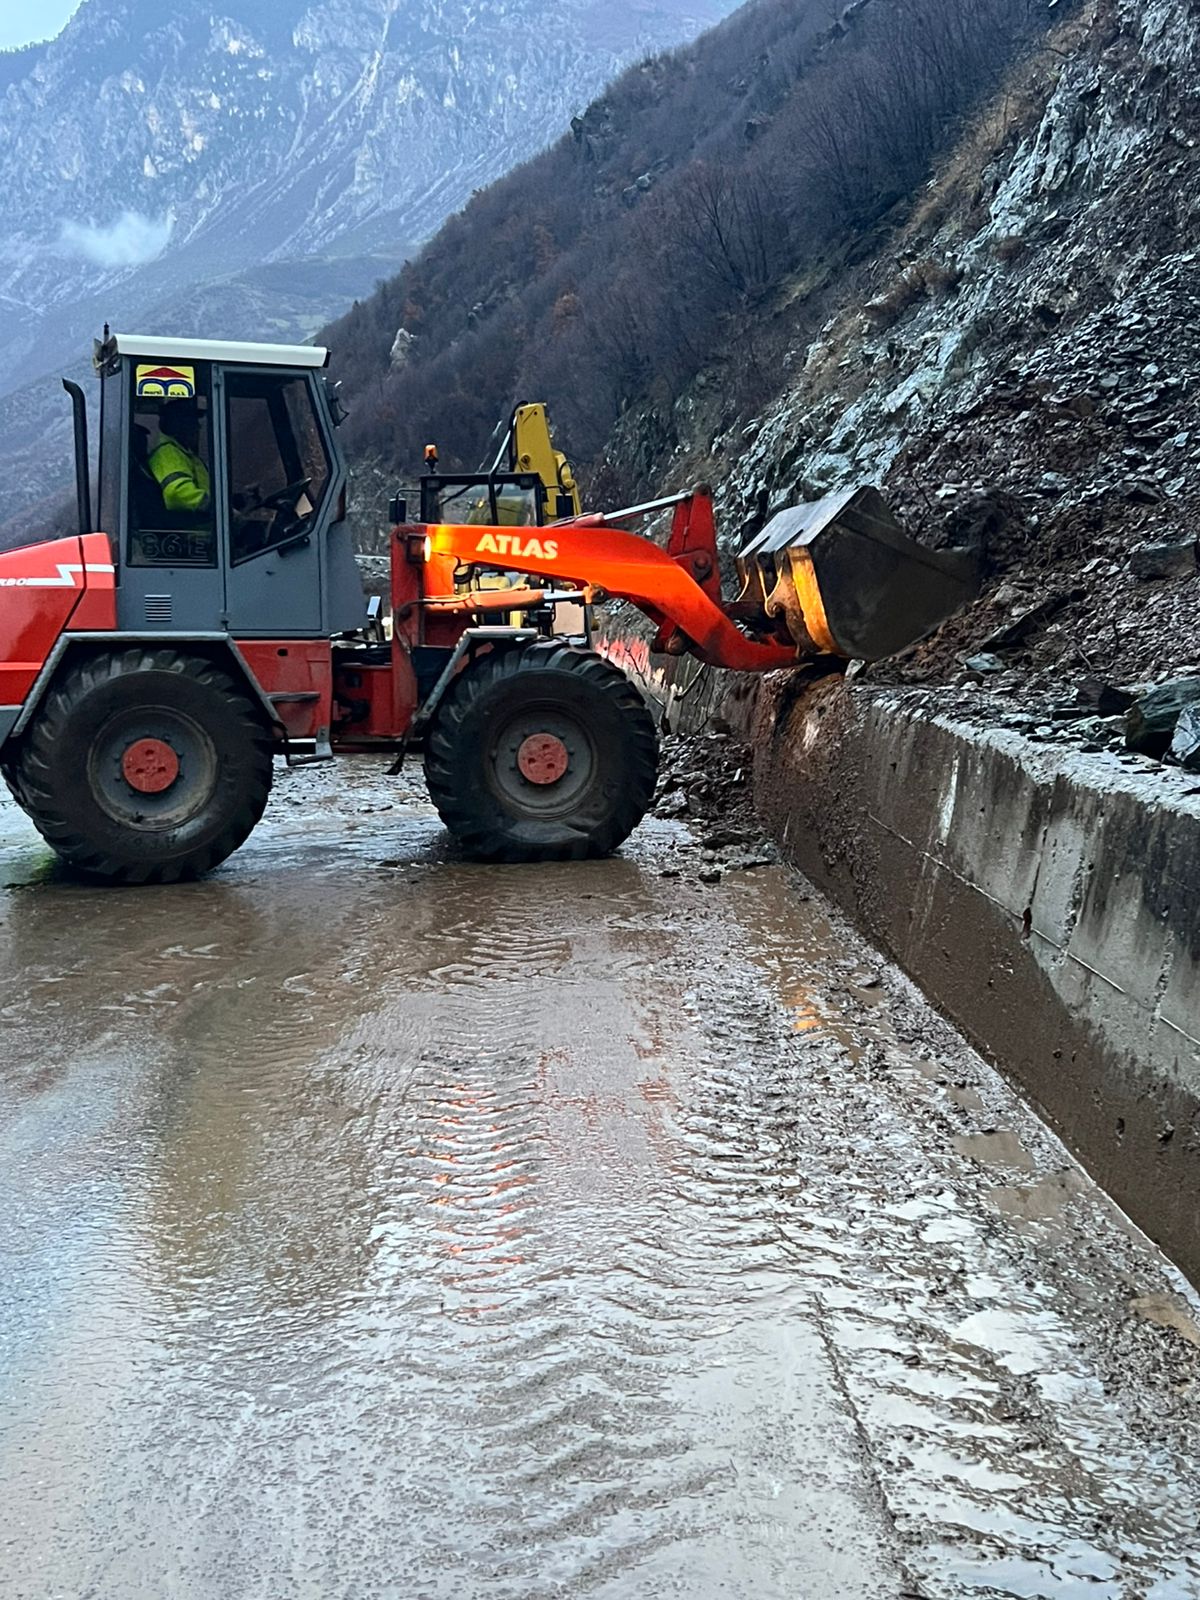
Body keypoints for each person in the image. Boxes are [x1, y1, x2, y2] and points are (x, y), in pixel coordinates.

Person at [148, 400, 211, 514]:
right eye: (193, 422)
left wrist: (241, 499)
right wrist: (216, 509)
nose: (198, 427)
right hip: (193, 529)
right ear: (178, 425)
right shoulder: (167, 453)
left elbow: (203, 490)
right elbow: (177, 493)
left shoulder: (185, 454)